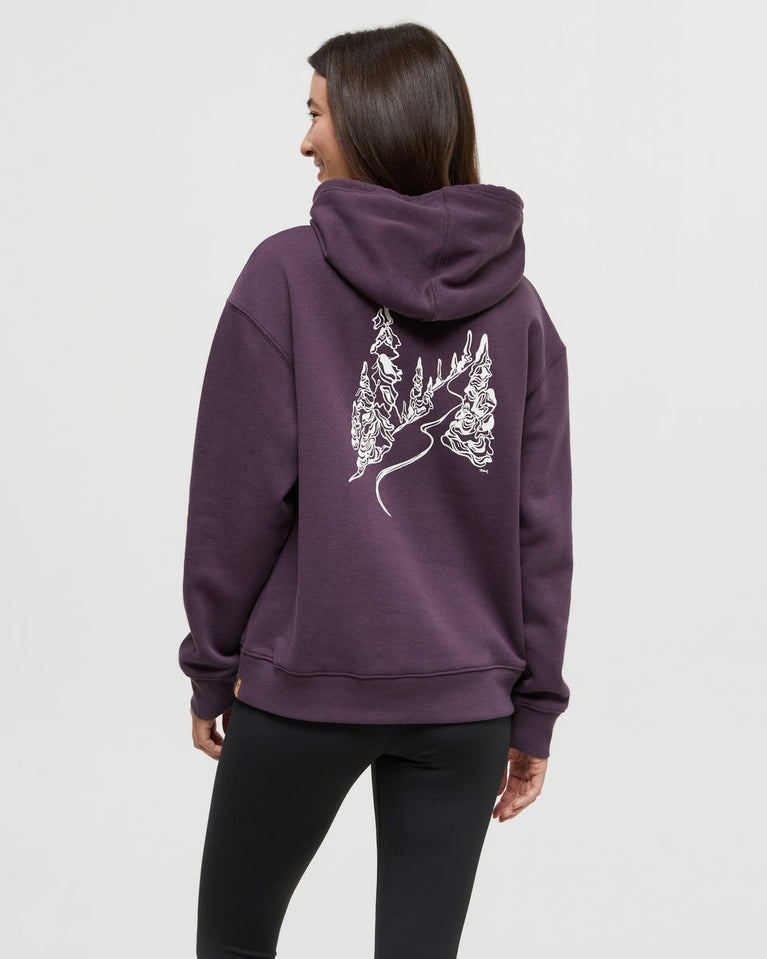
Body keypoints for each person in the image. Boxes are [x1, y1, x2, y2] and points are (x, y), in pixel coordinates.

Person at [178, 21, 574, 959]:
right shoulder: (519, 308)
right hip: (465, 708)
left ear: (372, 122)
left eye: (317, 114)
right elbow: (541, 530)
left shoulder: (284, 273)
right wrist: (534, 706)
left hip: (305, 689)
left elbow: (236, 497)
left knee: (232, 942)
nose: (304, 140)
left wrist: (210, 663)